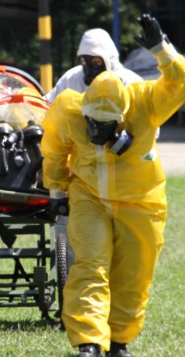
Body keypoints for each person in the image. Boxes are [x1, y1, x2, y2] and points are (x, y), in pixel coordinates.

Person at [41, 14, 185, 357]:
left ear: (124, 115)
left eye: (106, 127)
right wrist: (56, 191)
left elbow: (183, 84)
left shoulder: (143, 102)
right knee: (90, 267)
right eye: (92, 124)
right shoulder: (69, 107)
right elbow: (53, 150)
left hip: (141, 201)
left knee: (133, 275)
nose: (97, 132)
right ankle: (89, 343)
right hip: (89, 197)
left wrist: (162, 49)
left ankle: (119, 342)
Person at [45, 28, 144, 280]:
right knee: (76, 242)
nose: (89, 68)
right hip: (83, 179)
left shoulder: (131, 84)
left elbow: (149, 132)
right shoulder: (71, 80)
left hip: (124, 181)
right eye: (85, 61)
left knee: (123, 252)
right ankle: (71, 298)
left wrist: (120, 139)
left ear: (108, 60)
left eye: (96, 62)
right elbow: (49, 113)